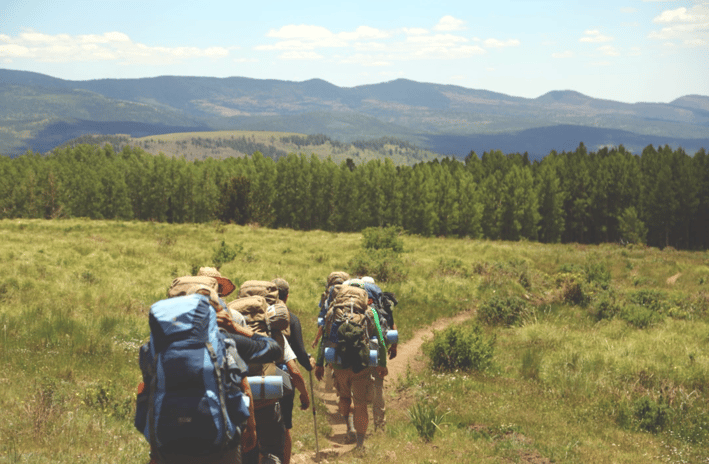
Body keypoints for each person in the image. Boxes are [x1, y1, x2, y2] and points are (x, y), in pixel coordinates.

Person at [314, 284, 388, 451]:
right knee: (361, 404)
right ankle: (360, 445)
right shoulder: (370, 312)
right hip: (361, 364)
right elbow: (381, 339)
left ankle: (349, 429)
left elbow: (325, 338)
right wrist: (382, 363)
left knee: (344, 398)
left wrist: (320, 363)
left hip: (339, 364)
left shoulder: (333, 311)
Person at [272, 278, 313, 464]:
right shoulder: (290, 318)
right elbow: (298, 353)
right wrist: (309, 364)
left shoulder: (256, 318)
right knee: (284, 426)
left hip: (252, 379)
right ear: (287, 296)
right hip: (282, 380)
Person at [361, 276, 398, 431]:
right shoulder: (379, 305)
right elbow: (391, 326)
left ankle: (356, 425)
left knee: (358, 387)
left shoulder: (354, 307)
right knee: (378, 385)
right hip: (376, 349)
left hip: (359, 352)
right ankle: (379, 424)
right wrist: (394, 346)